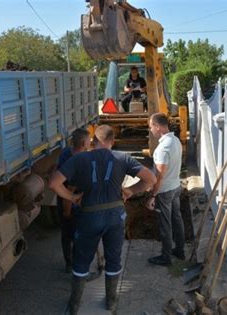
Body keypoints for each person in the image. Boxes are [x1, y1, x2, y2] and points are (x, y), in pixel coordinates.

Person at [49, 125, 156, 315]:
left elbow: (53, 183)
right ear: (112, 141)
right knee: (113, 260)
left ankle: (74, 305)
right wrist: (131, 190)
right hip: (115, 216)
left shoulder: (80, 158)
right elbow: (150, 179)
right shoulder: (122, 158)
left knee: (81, 261)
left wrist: (71, 197)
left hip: (89, 216)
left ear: (93, 142)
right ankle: (110, 302)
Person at [147, 113, 185, 266]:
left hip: (165, 191)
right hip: (176, 186)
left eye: (151, 127)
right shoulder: (175, 141)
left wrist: (153, 195)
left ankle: (166, 257)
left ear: (158, 126)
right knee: (177, 219)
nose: (151, 130)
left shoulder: (163, 147)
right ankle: (180, 251)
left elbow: (160, 175)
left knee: (165, 224)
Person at [57, 128, 91, 273]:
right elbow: (71, 190)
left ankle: (69, 263)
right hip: (72, 203)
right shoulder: (81, 161)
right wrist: (67, 211)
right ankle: (75, 266)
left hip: (61, 197)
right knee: (78, 235)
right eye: (89, 140)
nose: (90, 142)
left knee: (66, 234)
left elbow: (55, 171)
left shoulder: (65, 152)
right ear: (84, 143)